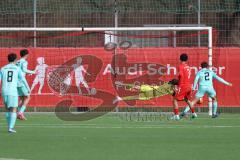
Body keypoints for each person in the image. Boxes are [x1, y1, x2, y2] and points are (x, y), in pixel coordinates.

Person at [0, 53, 29, 133]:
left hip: (4, 91)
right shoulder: (17, 69)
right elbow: (23, 79)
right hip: (12, 91)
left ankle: (9, 127)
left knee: (7, 109)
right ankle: (11, 128)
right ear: (16, 60)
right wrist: (28, 88)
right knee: (13, 109)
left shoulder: (2, 68)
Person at [171, 53, 196, 120]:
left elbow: (181, 76)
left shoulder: (181, 66)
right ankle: (194, 113)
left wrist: (178, 84)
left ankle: (176, 115)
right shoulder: (188, 67)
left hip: (183, 85)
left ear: (180, 59)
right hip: (189, 86)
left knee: (175, 99)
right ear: (187, 59)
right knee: (187, 100)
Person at [113, 79, 179, 104]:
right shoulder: (171, 90)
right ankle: (120, 98)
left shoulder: (168, 83)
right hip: (151, 93)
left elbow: (172, 82)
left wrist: (175, 87)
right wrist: (176, 89)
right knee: (134, 96)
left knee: (136, 88)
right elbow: (174, 94)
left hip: (150, 89)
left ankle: (121, 86)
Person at [16, 49, 35, 120]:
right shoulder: (24, 61)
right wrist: (33, 72)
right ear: (26, 55)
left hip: (16, 82)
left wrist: (28, 73)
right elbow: (24, 70)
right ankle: (20, 113)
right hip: (21, 81)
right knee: (27, 97)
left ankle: (18, 113)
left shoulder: (17, 61)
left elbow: (20, 71)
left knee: (21, 98)